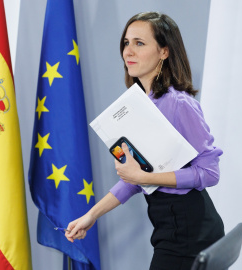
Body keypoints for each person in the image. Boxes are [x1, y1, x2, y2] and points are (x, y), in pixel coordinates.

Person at [65, 12, 224, 270]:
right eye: (126, 43)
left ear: (164, 52)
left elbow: (209, 172)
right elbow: (134, 179)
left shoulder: (179, 104)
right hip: (166, 228)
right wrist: (90, 215)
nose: (129, 51)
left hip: (192, 232)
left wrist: (144, 178)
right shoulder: (137, 105)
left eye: (139, 43)